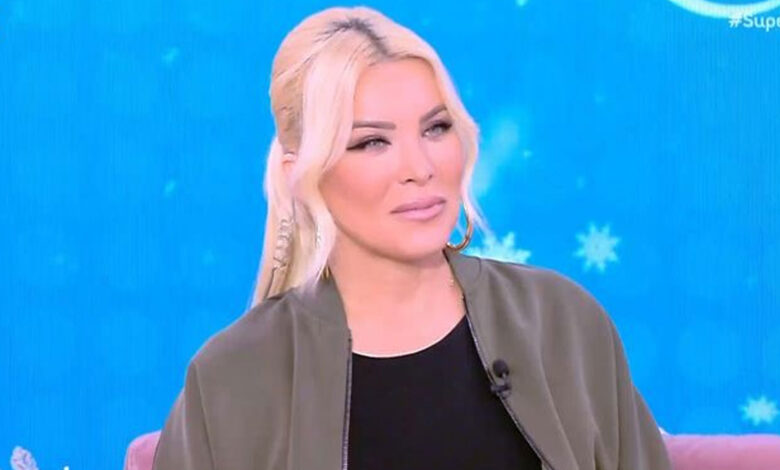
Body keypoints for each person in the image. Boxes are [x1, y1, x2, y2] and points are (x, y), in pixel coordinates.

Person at [152, 6, 671, 470]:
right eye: (372, 142)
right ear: (299, 174)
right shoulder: (233, 378)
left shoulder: (561, 322)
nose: (420, 168)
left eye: (435, 128)